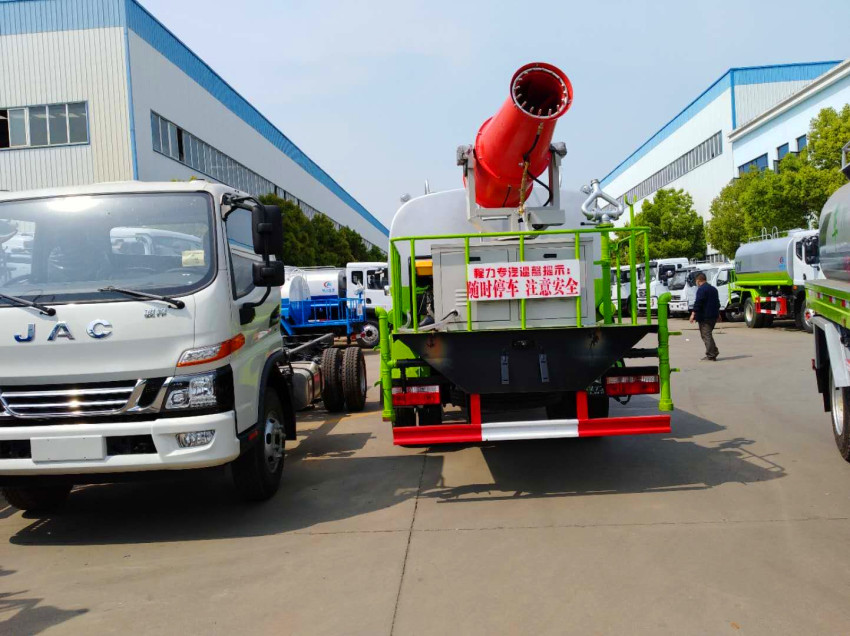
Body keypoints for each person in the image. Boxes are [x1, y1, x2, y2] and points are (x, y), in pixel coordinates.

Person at [690, 272, 720, 361]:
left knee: (706, 335)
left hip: (704, 317)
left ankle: (711, 355)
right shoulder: (714, 289)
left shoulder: (701, 290)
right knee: (708, 335)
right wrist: (718, 314)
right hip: (713, 316)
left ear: (698, 281)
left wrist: (693, 314)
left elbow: (698, 303)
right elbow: (717, 303)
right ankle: (714, 351)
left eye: (696, 281)